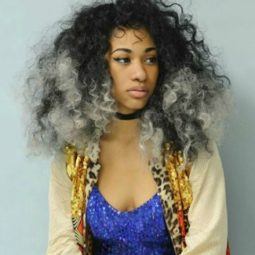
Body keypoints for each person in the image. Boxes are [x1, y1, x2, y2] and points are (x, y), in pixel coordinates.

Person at [23, 0, 233, 254]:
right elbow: (60, 245)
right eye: (123, 59)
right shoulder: (74, 156)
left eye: (151, 59)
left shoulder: (191, 146)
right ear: (95, 68)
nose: (140, 73)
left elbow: (208, 246)